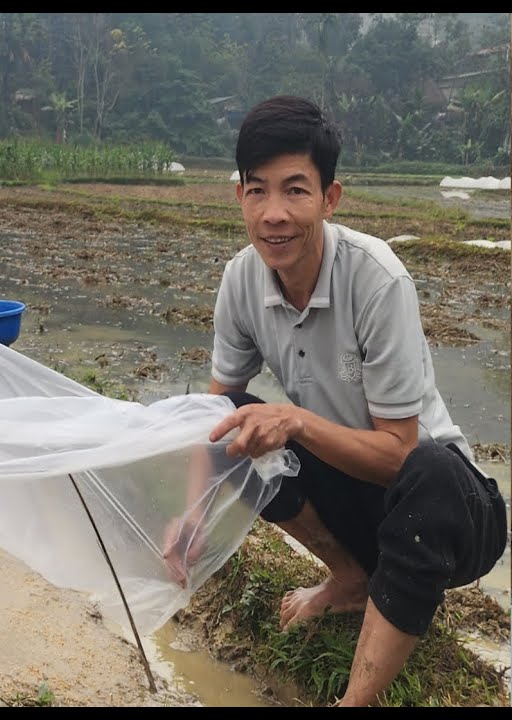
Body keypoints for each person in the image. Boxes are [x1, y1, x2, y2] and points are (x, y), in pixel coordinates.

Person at [163, 95, 507, 706]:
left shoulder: (377, 279)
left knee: (426, 465)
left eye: (296, 190)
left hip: (450, 511)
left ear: (330, 197)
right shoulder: (241, 279)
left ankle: (355, 702)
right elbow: (215, 412)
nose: (275, 214)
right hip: (357, 499)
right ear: (238, 195)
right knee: (233, 421)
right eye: (258, 190)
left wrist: (293, 420)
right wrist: (192, 511)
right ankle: (350, 578)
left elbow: (401, 454)